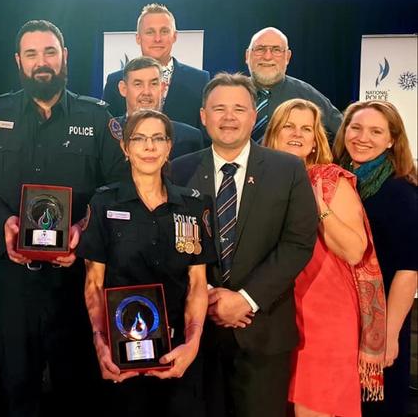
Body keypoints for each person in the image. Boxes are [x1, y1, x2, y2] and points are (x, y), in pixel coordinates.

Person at [0, 20, 129, 417]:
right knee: (16, 380)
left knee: (78, 380)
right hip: (13, 275)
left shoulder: (98, 118)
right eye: (32, 54)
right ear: (19, 61)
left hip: (78, 275)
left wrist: (83, 231)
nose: (42, 63)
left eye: (50, 52)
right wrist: (4, 224)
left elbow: (120, 189)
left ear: (64, 57)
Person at [171, 72, 317, 417]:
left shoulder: (289, 170)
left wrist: (245, 300)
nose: (229, 117)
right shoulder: (177, 171)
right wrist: (204, 293)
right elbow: (167, 241)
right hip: (196, 332)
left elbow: (298, 242)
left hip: (263, 332)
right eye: (218, 108)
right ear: (203, 116)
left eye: (239, 108)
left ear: (255, 116)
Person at [76, 109, 214, 416]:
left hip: (180, 349)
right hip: (121, 350)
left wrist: (193, 343)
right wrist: (101, 342)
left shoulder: (193, 205)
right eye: (139, 139)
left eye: (157, 139)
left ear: (169, 147)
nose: (149, 147)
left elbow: (197, 285)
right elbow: (94, 284)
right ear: (125, 148)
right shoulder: (103, 203)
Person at [263, 99, 386, 417]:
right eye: (289, 126)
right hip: (276, 312)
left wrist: (320, 207)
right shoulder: (258, 181)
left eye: (306, 128)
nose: (297, 134)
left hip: (325, 316)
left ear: (315, 141)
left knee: (314, 405)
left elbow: (354, 250)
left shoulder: (330, 179)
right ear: (273, 134)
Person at [333, 100, 418, 417]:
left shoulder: (401, 192)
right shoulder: (336, 180)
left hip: (378, 326)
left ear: (391, 139)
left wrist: (389, 335)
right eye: (355, 127)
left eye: (375, 131)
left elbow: (408, 271)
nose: (362, 137)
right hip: (339, 319)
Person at [103, 3, 210, 129]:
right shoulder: (115, 81)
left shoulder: (199, 80)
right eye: (150, 32)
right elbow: (108, 132)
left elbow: (205, 135)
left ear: (174, 36)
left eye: (164, 31)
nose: (157, 39)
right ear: (138, 38)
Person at [245, 27, 342, 143]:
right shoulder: (229, 94)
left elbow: (343, 134)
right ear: (247, 55)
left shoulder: (308, 95)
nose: (267, 56)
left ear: (288, 57)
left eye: (276, 50)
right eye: (260, 49)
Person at [115, 56, 209, 158]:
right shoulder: (106, 134)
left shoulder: (189, 139)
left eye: (154, 84)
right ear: (123, 88)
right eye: (138, 84)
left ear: (163, 88)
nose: (146, 92)